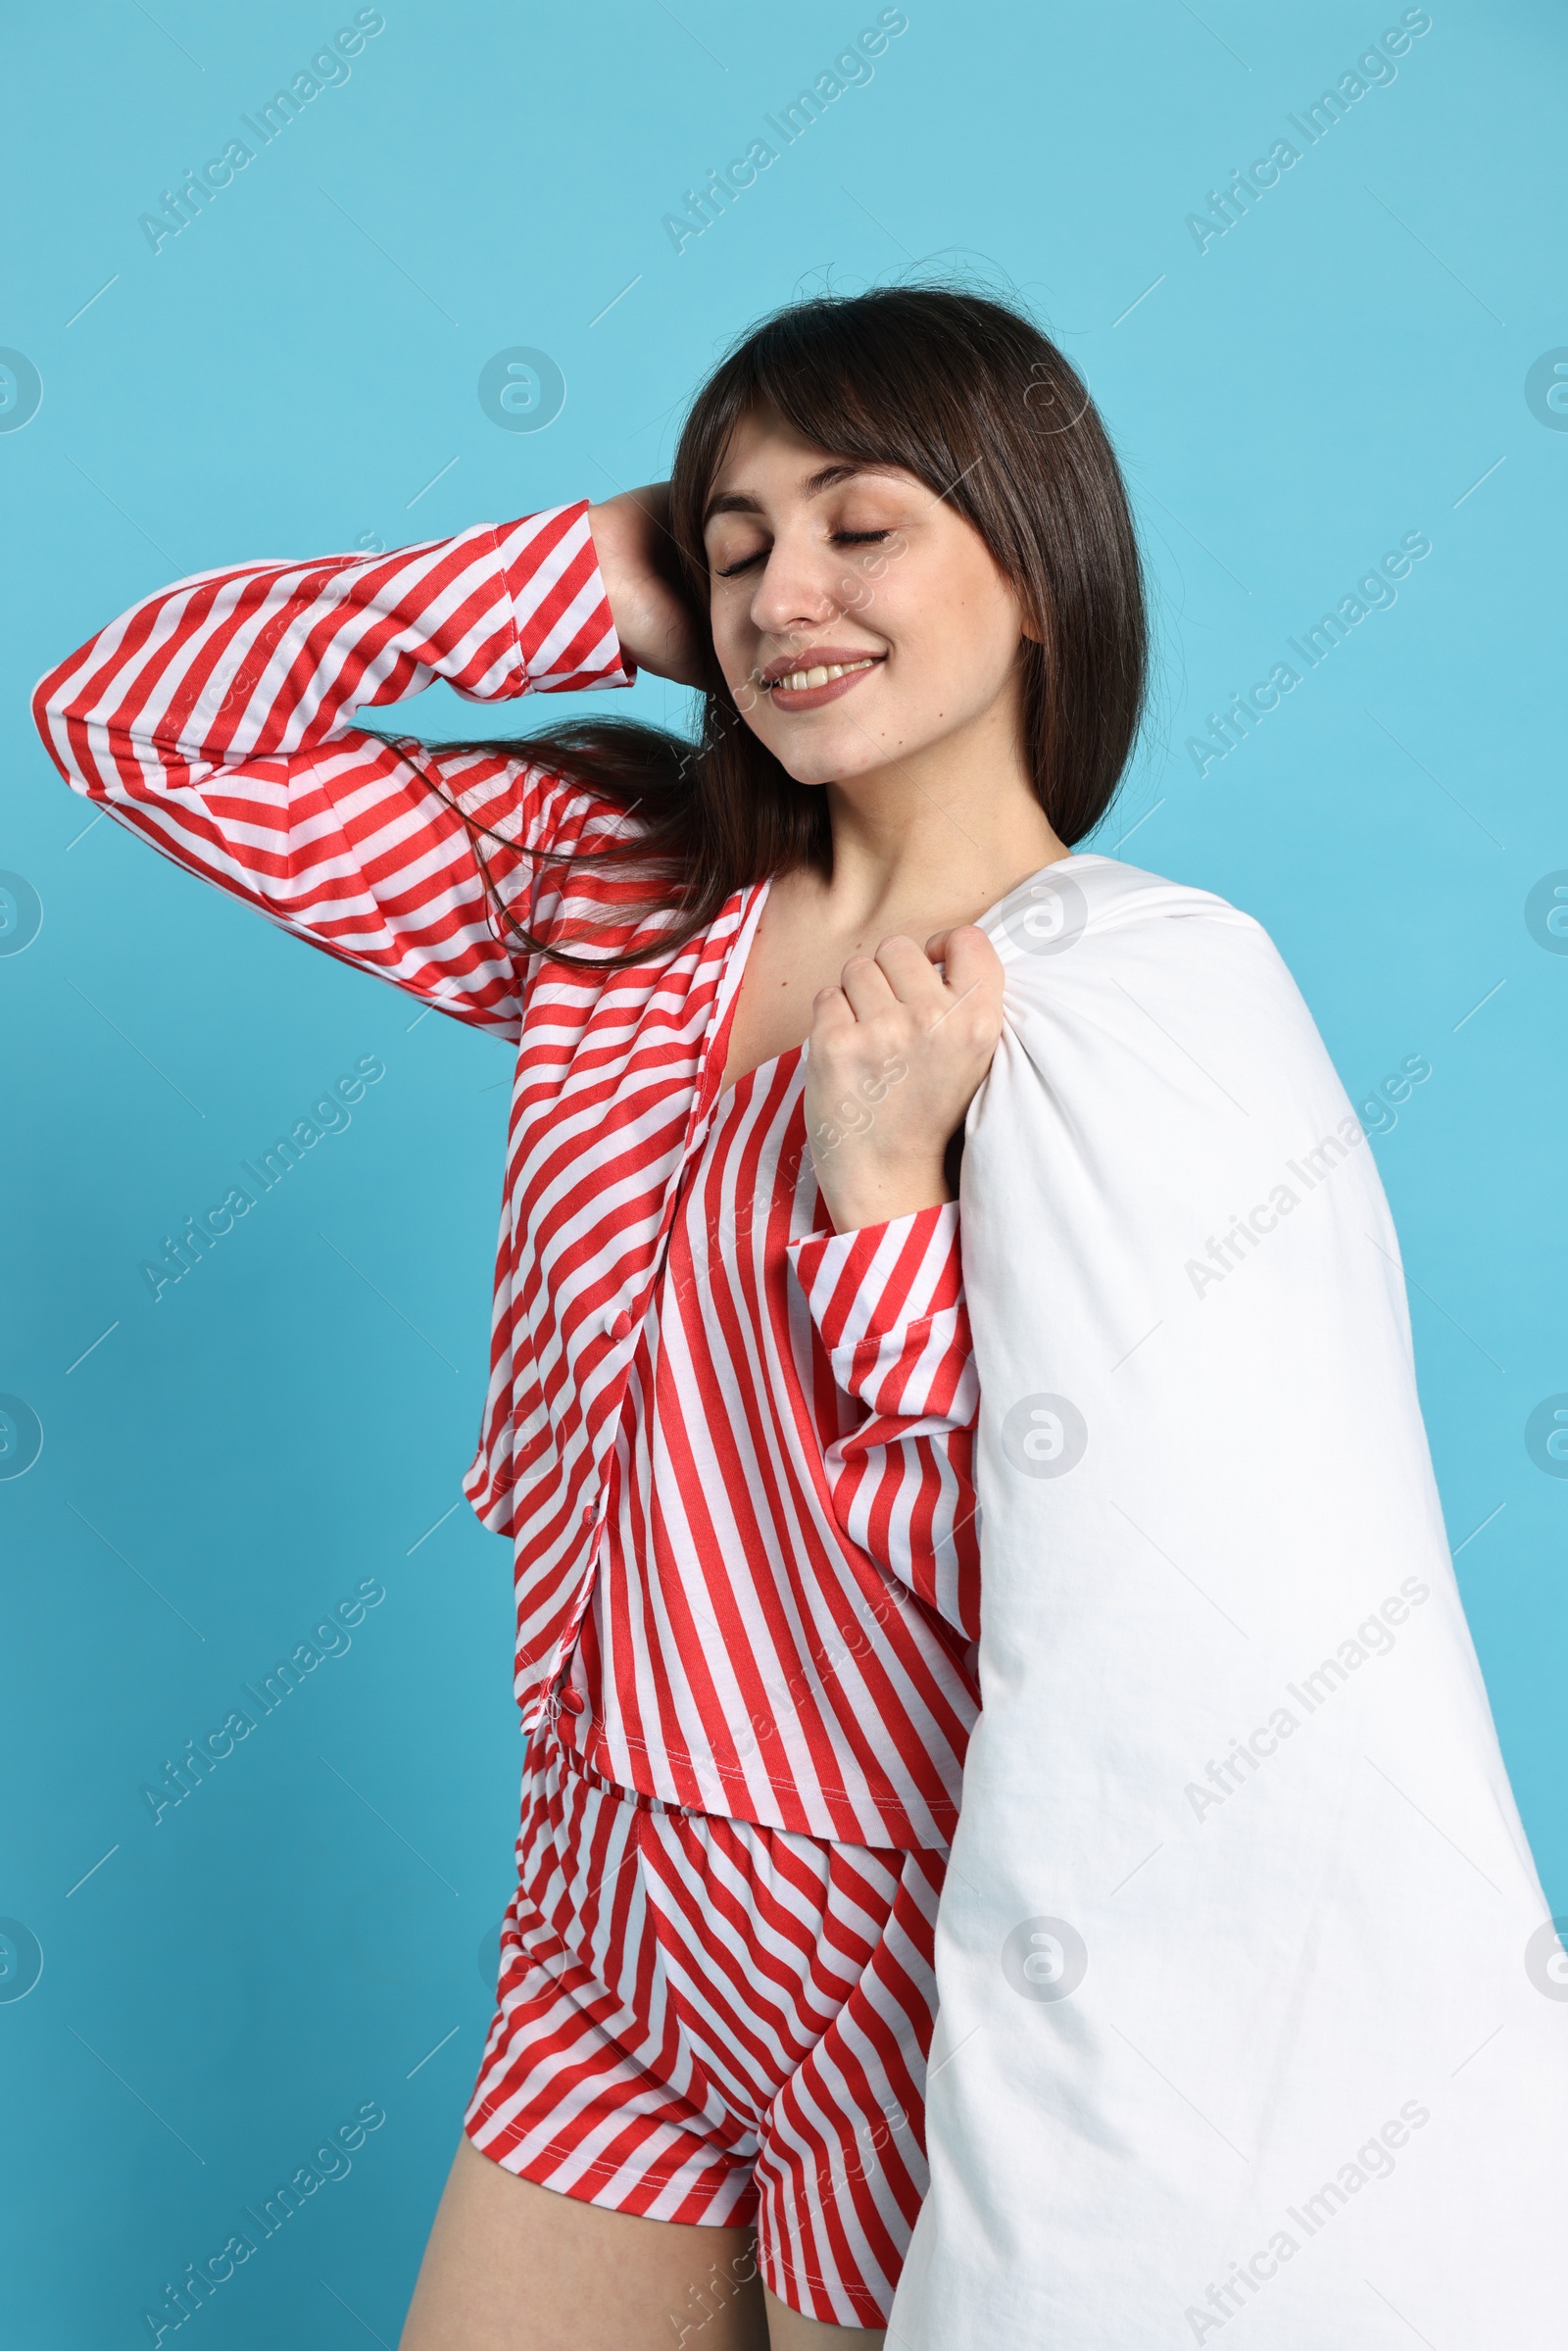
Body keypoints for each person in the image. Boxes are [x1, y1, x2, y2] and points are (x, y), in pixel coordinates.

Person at [33, 285, 1147, 2348]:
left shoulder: (1117, 1001)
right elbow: (127, 715)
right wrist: (581, 568)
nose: (783, 592)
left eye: (857, 525)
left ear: (1035, 560)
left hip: (906, 1937)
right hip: (601, 1912)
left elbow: (1105, 1567)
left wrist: (883, 1207)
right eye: (733, 546)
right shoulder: (622, 890)